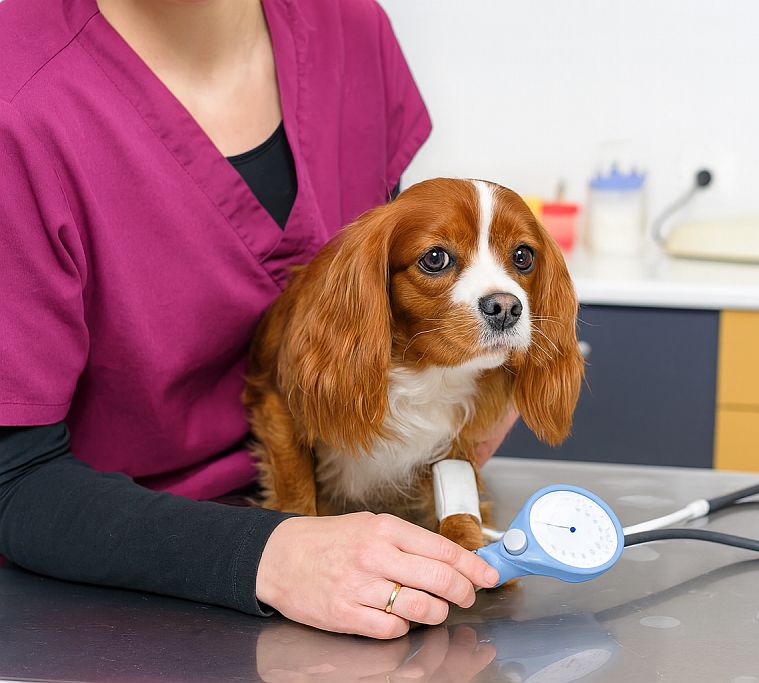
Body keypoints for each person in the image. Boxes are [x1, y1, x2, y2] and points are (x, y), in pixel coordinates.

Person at [0, 0, 511, 639]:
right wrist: (269, 552)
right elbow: (12, 479)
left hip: (349, 545)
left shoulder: (352, 32)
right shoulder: (17, 95)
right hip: (106, 598)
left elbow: (386, 306)